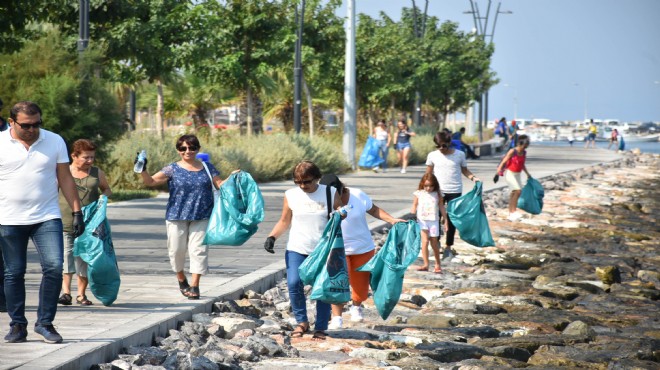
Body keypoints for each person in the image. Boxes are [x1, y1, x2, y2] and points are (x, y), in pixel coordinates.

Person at [0, 101, 84, 344]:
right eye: (26, 125)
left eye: (37, 124)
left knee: (54, 267)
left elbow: (65, 178)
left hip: (46, 216)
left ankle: (45, 323)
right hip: (8, 219)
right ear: (12, 122)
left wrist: (77, 212)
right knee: (13, 272)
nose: (33, 129)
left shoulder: (54, 140)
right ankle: (17, 325)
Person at [138, 134, 235, 300]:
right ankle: (181, 279)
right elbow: (151, 182)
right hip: (177, 215)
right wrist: (142, 169)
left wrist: (233, 177)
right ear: (178, 150)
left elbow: (219, 184)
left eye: (192, 148)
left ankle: (195, 285)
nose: (187, 151)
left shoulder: (207, 167)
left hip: (203, 214)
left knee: (199, 251)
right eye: (183, 148)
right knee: (176, 251)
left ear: (198, 149)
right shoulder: (172, 169)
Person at [263, 161, 342, 341]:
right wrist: (272, 237)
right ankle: (302, 321)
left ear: (317, 178)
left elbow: (341, 214)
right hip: (297, 247)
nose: (302, 186)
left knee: (321, 287)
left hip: (323, 250)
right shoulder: (291, 195)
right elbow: (284, 221)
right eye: (298, 182)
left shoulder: (329, 192)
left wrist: (342, 213)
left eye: (307, 181)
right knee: (293, 282)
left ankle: (321, 326)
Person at [319, 175, 405, 330]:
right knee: (337, 283)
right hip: (337, 248)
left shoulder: (357, 195)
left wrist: (391, 220)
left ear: (340, 188)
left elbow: (373, 209)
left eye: (334, 193)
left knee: (360, 284)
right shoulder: (322, 200)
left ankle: (356, 307)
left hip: (363, 247)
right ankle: (337, 317)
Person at [57, 139, 112, 307]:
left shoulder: (96, 173)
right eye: (86, 157)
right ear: (74, 156)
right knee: (67, 257)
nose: (90, 161)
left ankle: (81, 294)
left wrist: (104, 197)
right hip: (65, 220)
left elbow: (106, 189)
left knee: (85, 258)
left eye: (92, 157)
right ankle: (66, 293)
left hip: (91, 223)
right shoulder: (63, 172)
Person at [425, 131, 480, 256]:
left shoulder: (459, 154)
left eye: (443, 145)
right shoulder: (432, 155)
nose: (441, 149)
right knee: (435, 218)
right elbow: (428, 174)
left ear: (449, 143)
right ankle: (436, 242)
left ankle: (448, 246)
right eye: (438, 146)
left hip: (455, 191)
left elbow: (465, 171)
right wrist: (425, 189)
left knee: (451, 219)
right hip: (438, 191)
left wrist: (473, 178)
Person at [411, 173, 449, 273]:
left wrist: (445, 219)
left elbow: (441, 206)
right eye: (426, 186)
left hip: (433, 220)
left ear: (434, 185)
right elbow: (414, 205)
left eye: (431, 186)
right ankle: (426, 264)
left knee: (434, 242)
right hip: (422, 220)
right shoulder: (419, 193)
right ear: (422, 184)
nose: (428, 188)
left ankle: (437, 264)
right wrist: (412, 217)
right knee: (425, 242)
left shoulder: (438, 194)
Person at [496, 135, 532, 221]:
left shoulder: (524, 153)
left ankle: (511, 213)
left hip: (518, 174)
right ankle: (513, 211)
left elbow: (522, 164)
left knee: (514, 193)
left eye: (526, 146)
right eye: (524, 146)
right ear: (520, 144)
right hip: (510, 173)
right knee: (517, 190)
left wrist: (527, 174)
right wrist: (499, 170)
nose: (525, 147)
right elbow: (504, 160)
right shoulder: (513, 151)